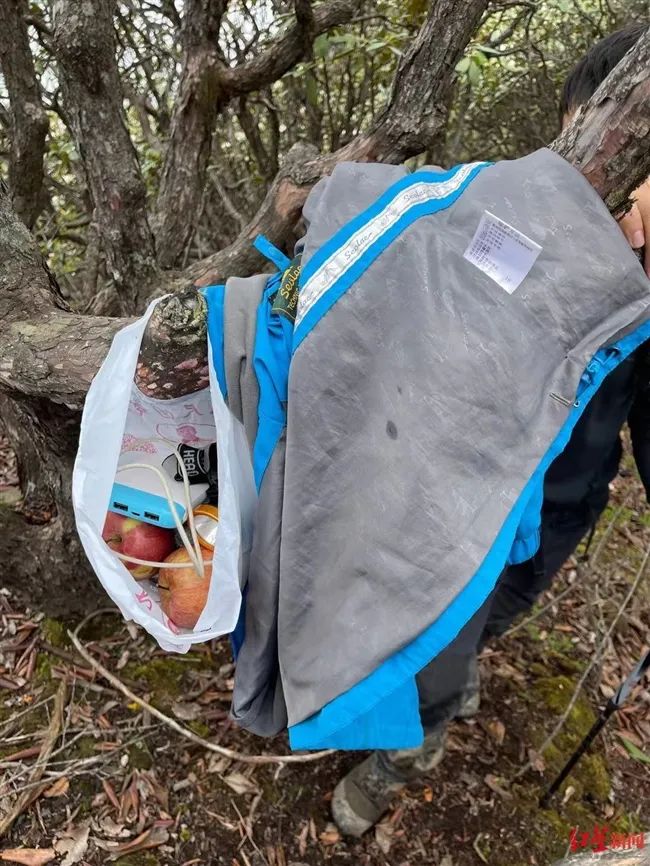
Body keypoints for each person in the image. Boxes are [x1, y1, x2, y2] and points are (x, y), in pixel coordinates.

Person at [331, 22, 650, 837]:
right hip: (439, 488)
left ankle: (406, 750)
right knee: (399, 619)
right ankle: (410, 692)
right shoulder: (501, 217)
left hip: (539, 525)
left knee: (446, 649)